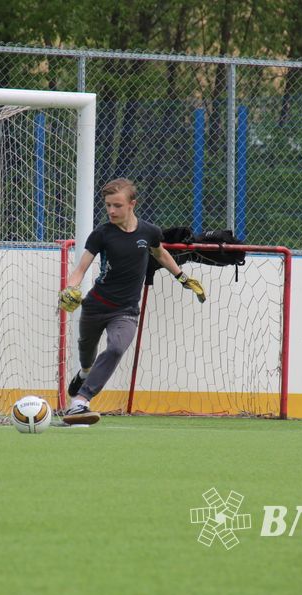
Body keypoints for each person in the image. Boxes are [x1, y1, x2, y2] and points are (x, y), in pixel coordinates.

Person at [58, 178, 206, 425]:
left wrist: (183, 278)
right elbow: (81, 268)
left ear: (132, 204)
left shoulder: (149, 232)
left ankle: (80, 401)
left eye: (117, 205)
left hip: (125, 310)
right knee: (86, 358)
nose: (111, 211)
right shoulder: (101, 234)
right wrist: (70, 287)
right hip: (95, 306)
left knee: (116, 347)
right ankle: (84, 373)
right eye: (107, 205)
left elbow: (161, 253)